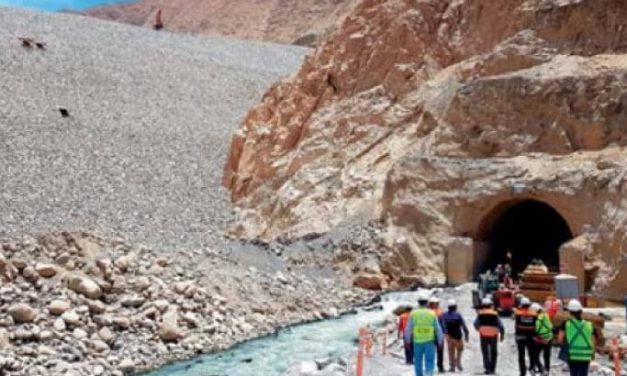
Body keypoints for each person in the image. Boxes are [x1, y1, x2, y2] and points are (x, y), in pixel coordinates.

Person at [558, 299, 601, 376]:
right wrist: (593, 353)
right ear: (581, 311)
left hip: (572, 355)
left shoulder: (566, 324)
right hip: (585, 355)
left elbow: (560, 340)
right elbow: (593, 341)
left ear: (570, 312)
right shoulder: (589, 325)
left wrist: (566, 344)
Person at [405, 292, 444, 376]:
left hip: (417, 342)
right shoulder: (432, 313)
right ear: (427, 303)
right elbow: (438, 329)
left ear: (418, 302)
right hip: (429, 341)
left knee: (418, 361)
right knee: (429, 360)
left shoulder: (413, 313)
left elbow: (408, 328)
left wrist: (407, 340)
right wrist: (440, 341)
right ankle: (429, 374)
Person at [474, 297, 505, 375]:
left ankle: (487, 368)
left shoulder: (480, 314)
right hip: (493, 335)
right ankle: (493, 368)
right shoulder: (495, 314)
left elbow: (475, 324)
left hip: (483, 335)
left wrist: (480, 330)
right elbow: (501, 325)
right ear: (490, 305)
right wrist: (502, 335)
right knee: (494, 352)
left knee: (485, 352)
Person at [442, 298, 469, 372]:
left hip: (449, 337)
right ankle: (458, 363)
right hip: (458, 336)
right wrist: (466, 334)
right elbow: (463, 325)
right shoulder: (458, 315)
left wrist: (446, 333)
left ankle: (452, 367)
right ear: (455, 307)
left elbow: (443, 326)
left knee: (451, 351)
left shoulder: (444, 315)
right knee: (460, 349)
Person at [515, 297, 538, 376]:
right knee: (532, 354)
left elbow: (516, 326)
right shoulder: (534, 314)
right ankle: (532, 368)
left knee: (521, 355)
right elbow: (536, 326)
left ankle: (522, 372)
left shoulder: (518, 313)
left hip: (521, 337)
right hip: (531, 337)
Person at [532, 303, 553, 376]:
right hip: (549, 338)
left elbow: (535, 329)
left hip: (540, 338)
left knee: (535, 355)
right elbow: (550, 326)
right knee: (547, 355)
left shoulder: (536, 318)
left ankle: (541, 368)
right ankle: (547, 370)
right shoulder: (546, 315)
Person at [428, 297, 445, 373]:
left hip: (430, 334)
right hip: (437, 334)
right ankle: (440, 367)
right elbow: (443, 324)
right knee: (440, 351)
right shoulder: (440, 312)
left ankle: (431, 367)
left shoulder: (427, 312)